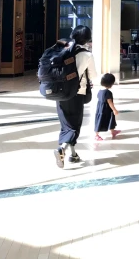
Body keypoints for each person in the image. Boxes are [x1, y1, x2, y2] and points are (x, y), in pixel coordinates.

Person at [55, 25, 97, 169]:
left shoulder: (62, 49)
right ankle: (63, 148)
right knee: (74, 125)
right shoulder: (87, 54)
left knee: (66, 123)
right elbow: (93, 75)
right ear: (87, 38)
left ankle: (73, 154)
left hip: (60, 92)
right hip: (77, 92)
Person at [94, 73, 120, 141]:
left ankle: (113, 131)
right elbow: (110, 102)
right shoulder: (108, 92)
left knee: (102, 120)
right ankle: (96, 135)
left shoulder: (100, 91)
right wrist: (114, 110)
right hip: (106, 110)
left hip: (100, 109)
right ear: (111, 84)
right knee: (108, 120)